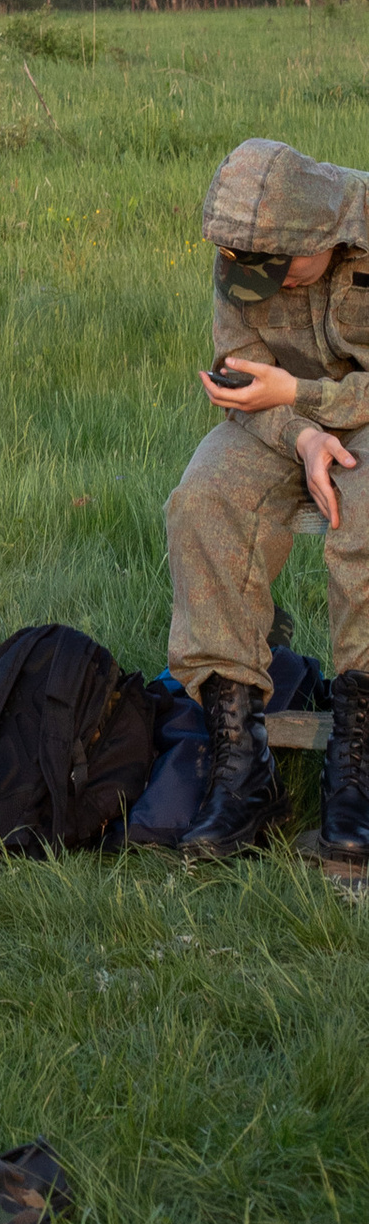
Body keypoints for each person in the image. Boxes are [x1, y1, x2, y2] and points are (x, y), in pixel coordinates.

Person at [166, 134, 369, 860]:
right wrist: (303, 432)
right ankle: (241, 764)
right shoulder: (243, 255)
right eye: (255, 269)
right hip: (278, 421)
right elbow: (240, 375)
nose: (276, 283)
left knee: (365, 512)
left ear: (326, 231)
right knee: (201, 502)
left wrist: (313, 398)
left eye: (288, 267)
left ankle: (360, 752)